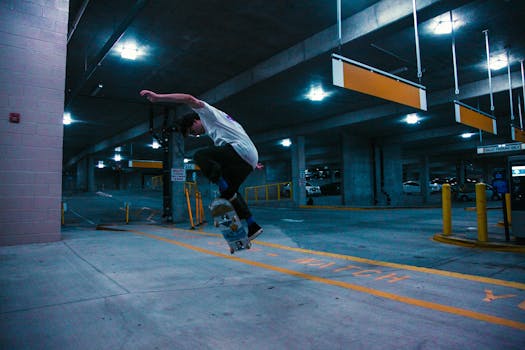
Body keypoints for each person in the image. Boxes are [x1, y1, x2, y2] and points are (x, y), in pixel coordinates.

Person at [140, 90, 263, 240]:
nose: (196, 135)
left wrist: (159, 98)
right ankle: (252, 226)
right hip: (247, 158)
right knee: (229, 195)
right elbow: (239, 135)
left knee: (199, 155)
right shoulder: (220, 126)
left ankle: (222, 184)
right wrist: (252, 161)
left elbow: (188, 98)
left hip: (240, 151)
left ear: (195, 120)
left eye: (193, 131)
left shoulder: (207, 113)